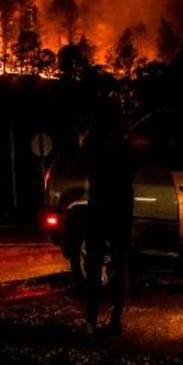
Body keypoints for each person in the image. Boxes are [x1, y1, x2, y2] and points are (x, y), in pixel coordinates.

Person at [82, 98, 135, 336]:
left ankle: (90, 322)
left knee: (94, 264)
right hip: (120, 208)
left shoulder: (92, 143)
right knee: (120, 261)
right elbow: (133, 169)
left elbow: (84, 166)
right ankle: (115, 320)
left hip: (98, 207)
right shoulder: (125, 145)